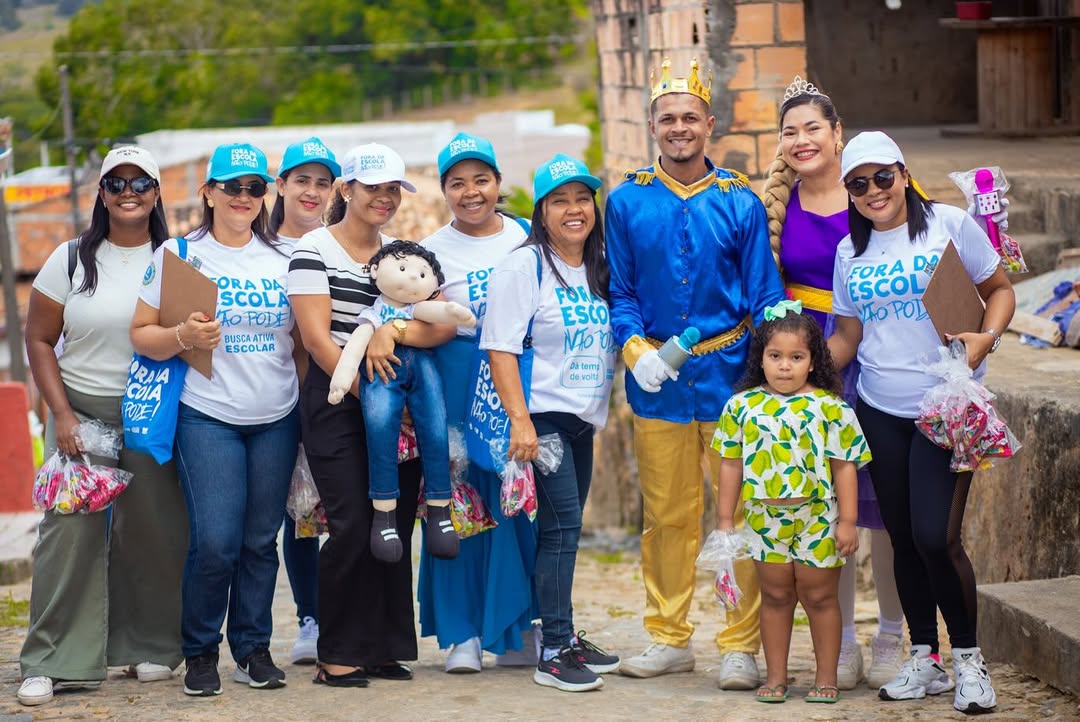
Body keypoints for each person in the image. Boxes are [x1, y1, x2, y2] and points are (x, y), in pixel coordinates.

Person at [605, 57, 785, 685]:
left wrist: (773, 379)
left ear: (710, 124)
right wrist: (635, 353)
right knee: (666, 518)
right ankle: (668, 634)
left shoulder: (741, 202)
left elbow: (765, 296)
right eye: (667, 118)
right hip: (656, 380)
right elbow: (620, 293)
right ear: (651, 125)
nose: (679, 127)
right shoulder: (625, 200)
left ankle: (740, 644)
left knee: (736, 515)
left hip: (733, 379)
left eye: (690, 117)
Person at [828, 131, 1015, 715]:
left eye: (883, 177)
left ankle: (969, 660)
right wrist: (799, 373)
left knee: (937, 536)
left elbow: (999, 290)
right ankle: (925, 659)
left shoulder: (950, 226)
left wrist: (986, 338)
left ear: (904, 174)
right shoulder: (848, 254)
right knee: (903, 539)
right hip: (880, 409)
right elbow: (849, 336)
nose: (872, 191)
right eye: (858, 184)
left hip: (945, 406)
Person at [18, 147, 188, 707]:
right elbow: (38, 339)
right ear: (102, 193)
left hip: (153, 409)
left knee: (154, 532)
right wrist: (62, 414)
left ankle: (149, 647)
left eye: (141, 182)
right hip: (80, 409)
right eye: (116, 182)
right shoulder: (70, 259)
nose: (129, 191)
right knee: (68, 534)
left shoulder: (176, 260)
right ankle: (51, 659)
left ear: (157, 193)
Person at [131, 142, 302, 696]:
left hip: (276, 414)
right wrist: (182, 336)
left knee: (260, 541)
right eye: (232, 186)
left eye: (256, 188)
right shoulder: (178, 254)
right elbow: (141, 334)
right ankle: (200, 650)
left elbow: (299, 343)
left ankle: (252, 649)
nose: (245, 197)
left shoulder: (285, 258)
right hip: (207, 415)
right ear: (207, 192)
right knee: (218, 541)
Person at [759, 76, 906, 689]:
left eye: (813, 128)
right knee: (827, 506)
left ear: (837, 132)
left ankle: (896, 633)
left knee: (884, 506)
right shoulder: (774, 204)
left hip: (879, 347)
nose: (802, 141)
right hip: (807, 362)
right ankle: (840, 638)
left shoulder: (874, 188)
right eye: (790, 131)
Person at [289, 143, 449, 688]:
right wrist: (372, 394)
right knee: (354, 522)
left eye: (391, 190)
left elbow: (438, 323)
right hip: (337, 401)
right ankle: (337, 652)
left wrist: (391, 331)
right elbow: (315, 340)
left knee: (395, 523)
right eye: (372, 187)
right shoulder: (314, 249)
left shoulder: (404, 252)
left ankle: (382, 647)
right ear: (346, 190)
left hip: (400, 400)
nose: (382, 198)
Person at [481, 154, 620, 693]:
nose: (573, 209)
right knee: (563, 530)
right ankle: (555, 651)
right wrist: (521, 421)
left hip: (582, 417)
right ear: (541, 211)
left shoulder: (598, 263)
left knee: (561, 531)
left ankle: (558, 633)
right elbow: (500, 347)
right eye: (559, 200)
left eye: (582, 198)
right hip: (542, 419)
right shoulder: (525, 265)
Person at [418, 132, 539, 673]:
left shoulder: (527, 238)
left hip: (515, 380)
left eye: (481, 180)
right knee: (458, 503)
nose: (471, 192)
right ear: (444, 190)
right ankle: (462, 633)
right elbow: (413, 319)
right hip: (457, 381)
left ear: (497, 183)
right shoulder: (430, 252)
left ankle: (514, 630)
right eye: (457, 183)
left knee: (515, 500)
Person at [714, 302, 871, 704]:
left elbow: (844, 467)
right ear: (761, 359)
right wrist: (725, 522)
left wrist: (848, 521)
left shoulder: (831, 408)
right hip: (765, 520)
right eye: (776, 356)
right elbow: (730, 465)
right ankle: (777, 676)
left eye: (796, 357)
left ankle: (826, 677)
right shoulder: (741, 407)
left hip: (818, 518)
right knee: (776, 597)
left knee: (820, 598)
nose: (785, 366)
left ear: (814, 362)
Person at [270, 136, 341, 665]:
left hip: (336, 395)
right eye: (302, 181)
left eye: (322, 182)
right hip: (275, 402)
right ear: (282, 186)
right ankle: (310, 618)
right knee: (295, 515)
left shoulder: (341, 246)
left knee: (341, 511)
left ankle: (345, 617)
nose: (312, 192)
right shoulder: (259, 248)